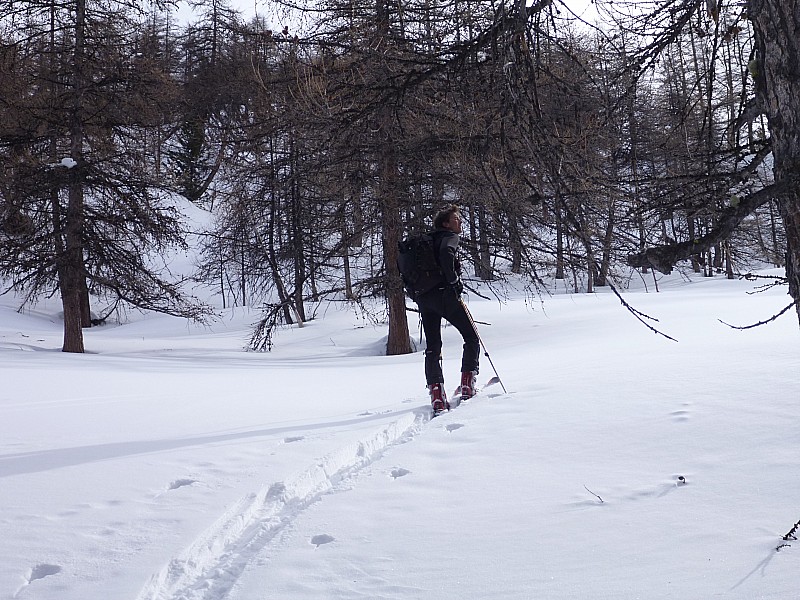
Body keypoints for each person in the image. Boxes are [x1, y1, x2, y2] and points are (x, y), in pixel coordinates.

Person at [414, 204, 480, 413]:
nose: (460, 222)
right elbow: (446, 253)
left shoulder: (426, 240)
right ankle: (467, 384)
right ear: (445, 224)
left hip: (425, 298)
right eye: (456, 219)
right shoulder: (449, 237)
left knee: (433, 346)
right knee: (471, 336)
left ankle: (437, 395)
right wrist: (454, 281)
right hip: (445, 296)